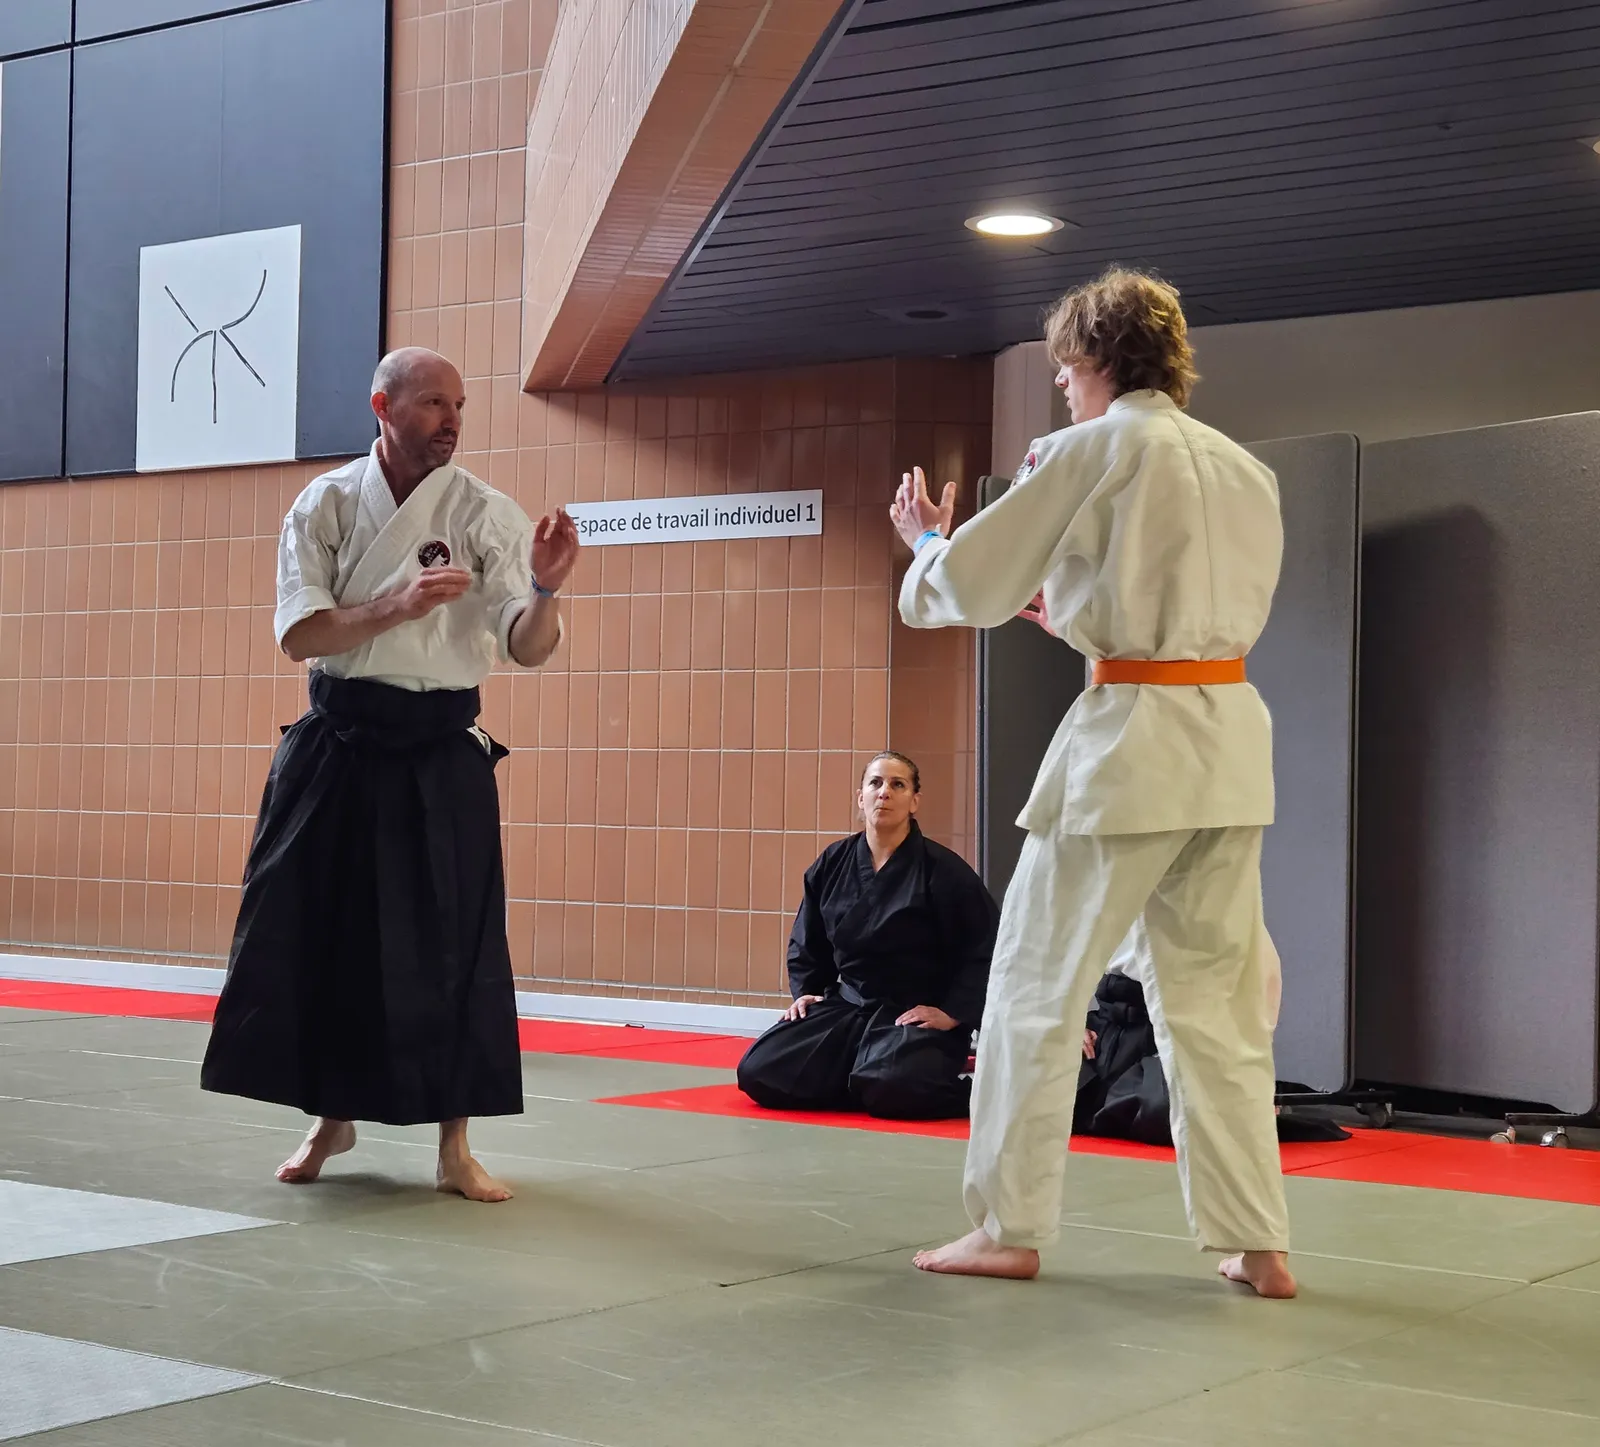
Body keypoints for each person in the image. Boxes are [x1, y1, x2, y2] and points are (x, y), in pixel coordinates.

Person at [890, 267, 1296, 1299]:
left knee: (1034, 984)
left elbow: (971, 583)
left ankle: (1007, 1224)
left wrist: (929, 544)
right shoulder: (1244, 469)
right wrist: (1077, 616)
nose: (1062, 388)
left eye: (1065, 369)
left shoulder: (1090, 447)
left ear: (1095, 357)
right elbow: (1164, 610)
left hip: (1128, 750)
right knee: (1217, 1007)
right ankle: (1257, 1240)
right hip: (1227, 742)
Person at [200, 347, 579, 1203]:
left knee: (455, 942)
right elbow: (301, 635)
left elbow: (526, 648)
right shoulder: (327, 502)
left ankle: (455, 1144)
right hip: (339, 742)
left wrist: (546, 590)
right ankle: (331, 1116)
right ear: (383, 406)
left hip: (439, 749)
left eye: (459, 404)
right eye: (434, 402)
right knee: (322, 931)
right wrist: (394, 606)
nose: (452, 419)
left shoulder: (484, 511)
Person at [736, 752, 999, 1120]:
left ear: (914, 801)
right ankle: (864, 1081)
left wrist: (953, 1013)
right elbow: (807, 939)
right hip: (848, 1007)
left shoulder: (944, 871)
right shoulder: (833, 862)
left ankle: (949, 1084)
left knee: (893, 1085)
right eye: (875, 783)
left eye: (897, 784)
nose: (884, 792)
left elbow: (985, 948)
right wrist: (808, 991)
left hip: (911, 1015)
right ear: (861, 798)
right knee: (761, 1070)